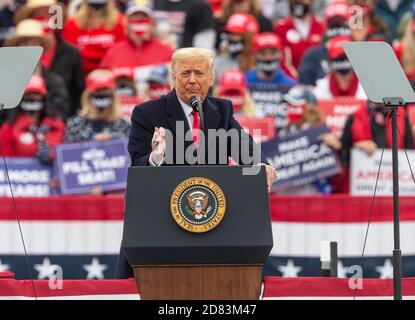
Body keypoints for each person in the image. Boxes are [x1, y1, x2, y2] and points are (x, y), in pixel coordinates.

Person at [117, 47, 277, 279]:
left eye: (199, 73)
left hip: (213, 221)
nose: (192, 80)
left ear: (211, 78)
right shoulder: (147, 113)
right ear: (173, 77)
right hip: (159, 222)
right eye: (185, 73)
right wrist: (156, 157)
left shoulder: (220, 111)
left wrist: (262, 168)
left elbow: (243, 146)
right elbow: (138, 167)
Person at [14, 0, 86, 118]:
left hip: (60, 123)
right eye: (39, 16)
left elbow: (78, 93)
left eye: (50, 15)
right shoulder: (9, 68)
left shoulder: (70, 52)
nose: (45, 20)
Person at [336, 101, 415, 193]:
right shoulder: (355, 117)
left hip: (396, 186)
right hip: (363, 187)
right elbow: (344, 156)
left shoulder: (401, 116)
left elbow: (410, 151)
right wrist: (357, 146)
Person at [277, 85, 341, 194]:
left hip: (315, 195)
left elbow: (335, 170)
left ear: (309, 107)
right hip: (288, 195)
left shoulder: (320, 131)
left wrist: (336, 148)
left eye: (295, 105)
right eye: (289, 105)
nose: (291, 109)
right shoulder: (283, 132)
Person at [5, 19, 70, 121]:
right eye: (24, 44)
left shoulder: (55, 82)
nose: (29, 49)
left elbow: (60, 117)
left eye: (34, 44)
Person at [0, 75, 66, 164]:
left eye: (36, 95)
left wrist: (51, 154)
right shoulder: (9, 128)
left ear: (44, 99)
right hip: (21, 175)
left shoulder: (57, 125)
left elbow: (65, 155)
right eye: (28, 96)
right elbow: (5, 164)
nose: (32, 99)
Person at [100, 2, 173, 70]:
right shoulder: (113, 51)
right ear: (126, 22)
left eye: (144, 17)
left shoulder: (166, 52)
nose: (139, 21)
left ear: (153, 23)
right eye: (135, 17)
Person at [64, 69, 130, 142]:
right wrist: (92, 139)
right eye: (98, 90)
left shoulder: (124, 125)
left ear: (113, 94)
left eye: (105, 89)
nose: (102, 93)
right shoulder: (75, 125)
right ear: (88, 95)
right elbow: (68, 149)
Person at [245, 32, 297, 127]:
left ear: (281, 55)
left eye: (273, 53)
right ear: (254, 56)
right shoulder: (244, 83)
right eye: (263, 53)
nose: (268, 58)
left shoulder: (291, 85)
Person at [61, 0, 125, 75]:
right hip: (82, 74)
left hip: (112, 73)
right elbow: (69, 53)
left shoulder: (120, 22)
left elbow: (121, 51)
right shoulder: (73, 24)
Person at [298, 0, 353, 86]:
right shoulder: (312, 55)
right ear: (326, 26)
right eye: (333, 23)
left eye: (341, 22)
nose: (337, 27)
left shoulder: (360, 53)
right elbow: (304, 86)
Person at [274, 0, 325, 78]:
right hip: (290, 81)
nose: (299, 2)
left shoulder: (321, 26)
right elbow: (280, 59)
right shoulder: (281, 27)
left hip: (317, 81)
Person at [313, 36, 366, 100]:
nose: (343, 63)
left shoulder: (367, 89)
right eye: (339, 59)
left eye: (346, 58)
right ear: (330, 61)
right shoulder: (321, 89)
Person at [213, 13, 258, 81]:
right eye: (229, 33)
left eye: (236, 34)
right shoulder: (219, 61)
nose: (231, 37)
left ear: (249, 37)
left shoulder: (260, 61)